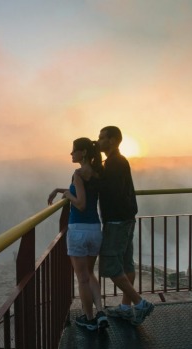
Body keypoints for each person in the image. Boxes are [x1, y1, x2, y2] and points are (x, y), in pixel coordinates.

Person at [48, 137, 108, 331]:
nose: (71, 154)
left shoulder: (78, 173)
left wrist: (67, 196)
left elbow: (80, 203)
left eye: (74, 150)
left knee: (82, 278)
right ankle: (100, 312)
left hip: (78, 230)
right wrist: (61, 189)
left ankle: (89, 318)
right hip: (94, 230)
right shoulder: (98, 173)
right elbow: (85, 193)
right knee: (91, 273)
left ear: (82, 152)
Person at [97, 126, 154, 325]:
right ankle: (125, 307)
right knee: (127, 263)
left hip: (116, 222)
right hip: (127, 219)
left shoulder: (113, 163)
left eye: (102, 137)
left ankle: (140, 304)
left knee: (112, 266)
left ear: (112, 140)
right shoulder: (118, 161)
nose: (99, 141)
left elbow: (108, 191)